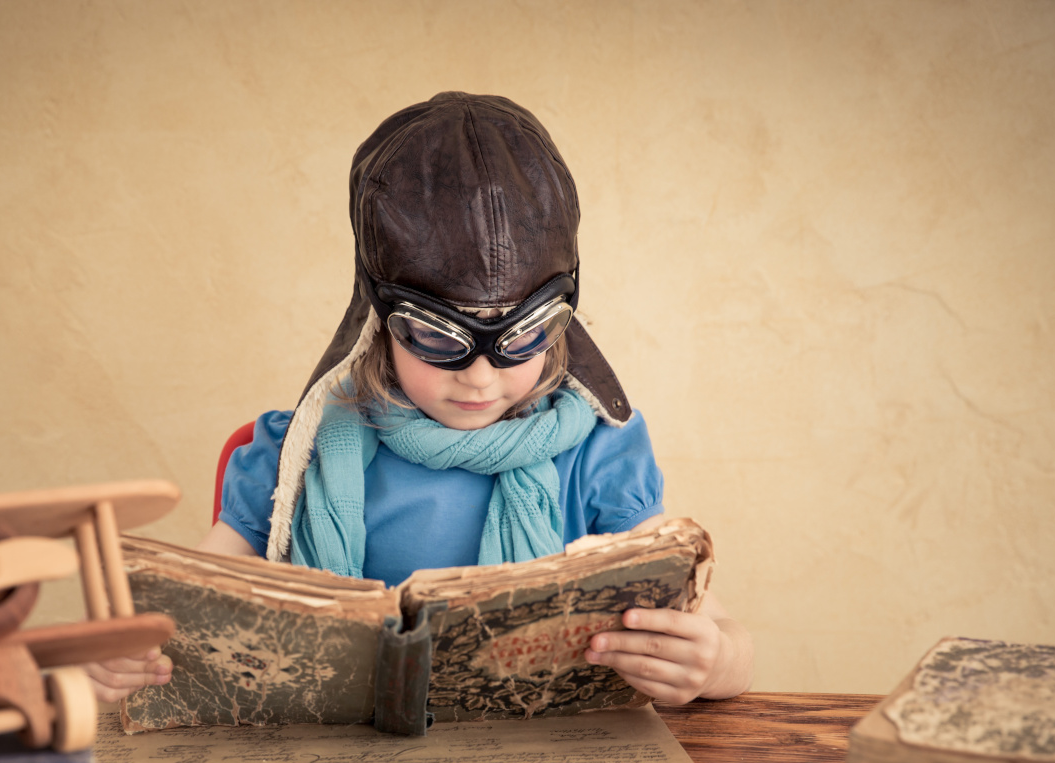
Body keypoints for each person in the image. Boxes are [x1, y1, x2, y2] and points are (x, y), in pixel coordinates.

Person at [89, 93, 752, 707]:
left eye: (523, 336)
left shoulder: (602, 452)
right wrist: (122, 650)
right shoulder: (296, 455)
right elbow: (177, 614)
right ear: (377, 317)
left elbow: (727, 642)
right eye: (437, 337)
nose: (481, 378)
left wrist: (713, 663)